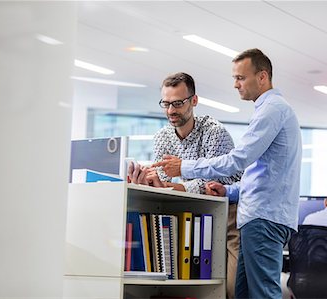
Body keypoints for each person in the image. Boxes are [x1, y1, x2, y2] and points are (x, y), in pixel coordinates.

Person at [153, 49, 302, 299]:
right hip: (255, 215)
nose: (235, 84)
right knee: (241, 293)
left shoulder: (272, 109)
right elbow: (260, 174)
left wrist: (184, 167)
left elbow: (238, 160)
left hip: (263, 218)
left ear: (262, 76)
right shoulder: (266, 109)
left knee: (263, 293)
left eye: (241, 78)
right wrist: (229, 191)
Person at [128, 72, 241, 299]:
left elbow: (214, 184)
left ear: (194, 101)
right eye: (166, 104)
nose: (171, 111)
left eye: (178, 103)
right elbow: (163, 183)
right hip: (187, 213)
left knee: (231, 289)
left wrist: (172, 185)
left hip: (227, 214)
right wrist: (150, 181)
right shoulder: (162, 137)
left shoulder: (214, 132)